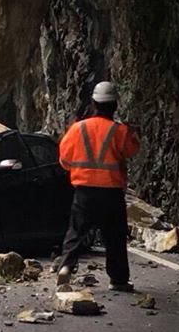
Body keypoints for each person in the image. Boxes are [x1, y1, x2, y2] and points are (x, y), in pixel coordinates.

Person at [57, 81, 140, 292]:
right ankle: (118, 280)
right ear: (114, 106)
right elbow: (132, 150)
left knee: (76, 231)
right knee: (115, 236)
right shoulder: (120, 131)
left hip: (84, 191)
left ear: (93, 103)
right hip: (111, 193)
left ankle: (66, 266)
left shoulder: (77, 129)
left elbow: (64, 160)